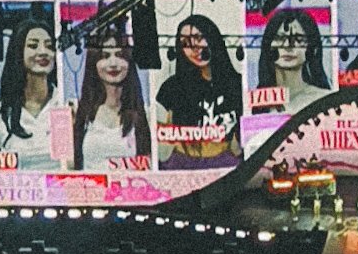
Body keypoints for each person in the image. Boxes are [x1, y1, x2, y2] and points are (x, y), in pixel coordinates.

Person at [156, 14, 243, 169]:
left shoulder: (236, 84)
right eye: (185, 43)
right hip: (182, 163)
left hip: (224, 162)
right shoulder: (171, 87)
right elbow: (157, 132)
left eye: (198, 38)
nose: (194, 48)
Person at [0, 18, 60, 170]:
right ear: (18, 52)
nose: (43, 52)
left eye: (49, 46)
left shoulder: (67, 106)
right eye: (33, 46)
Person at [73, 26, 151, 170]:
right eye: (105, 56)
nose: (113, 63)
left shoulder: (145, 114)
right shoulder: (79, 113)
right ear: (94, 63)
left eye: (120, 55)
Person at [257, 9, 331, 113]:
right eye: (280, 38)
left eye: (298, 39)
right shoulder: (257, 100)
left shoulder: (322, 98)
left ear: (311, 48)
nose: (288, 46)